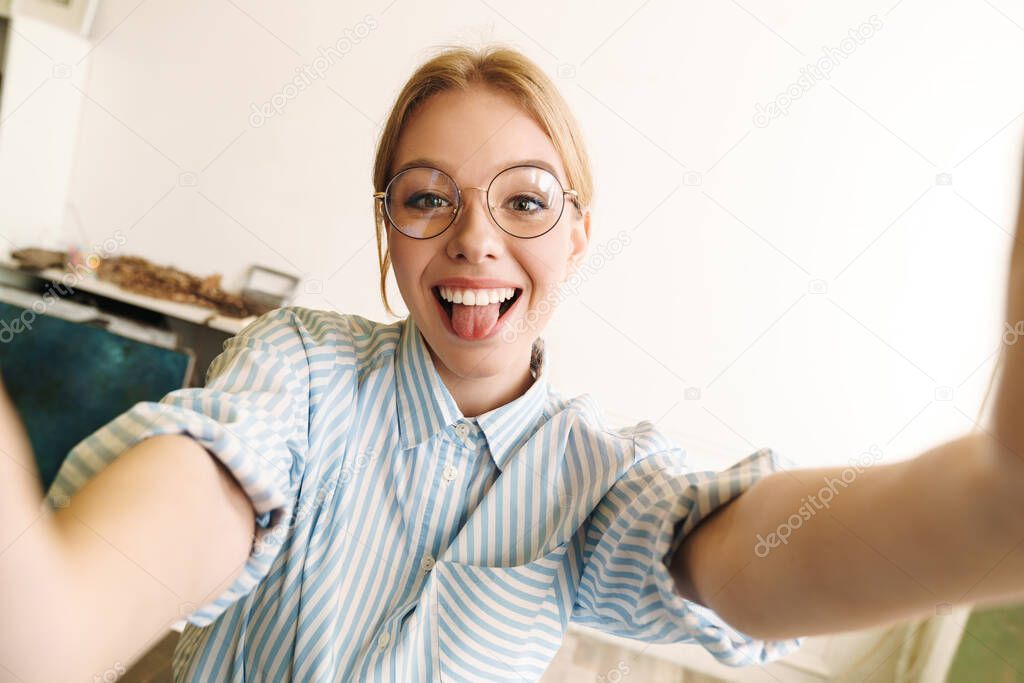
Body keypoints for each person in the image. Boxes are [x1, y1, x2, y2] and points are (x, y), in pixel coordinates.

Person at [2, 43, 1023, 682]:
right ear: (390, 231)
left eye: (524, 201)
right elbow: (211, 478)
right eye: (426, 197)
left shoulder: (597, 473)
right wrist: (70, 614)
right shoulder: (301, 365)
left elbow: (746, 560)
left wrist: (989, 507)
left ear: (578, 234)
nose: (475, 239)